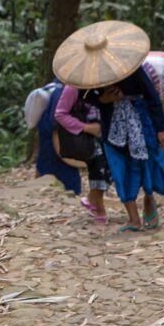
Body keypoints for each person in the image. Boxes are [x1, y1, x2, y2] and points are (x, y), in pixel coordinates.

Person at [83, 66, 164, 232]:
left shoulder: (132, 68)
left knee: (147, 165)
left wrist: (160, 129)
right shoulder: (93, 73)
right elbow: (85, 96)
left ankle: (149, 200)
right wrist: (103, 99)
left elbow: (151, 96)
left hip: (141, 124)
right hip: (112, 129)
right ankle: (134, 219)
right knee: (120, 170)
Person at [53, 84, 112, 224]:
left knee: (110, 170)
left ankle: (92, 199)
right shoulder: (73, 87)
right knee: (99, 168)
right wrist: (85, 127)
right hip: (88, 137)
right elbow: (60, 114)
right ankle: (99, 209)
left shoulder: (106, 82)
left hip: (107, 134)